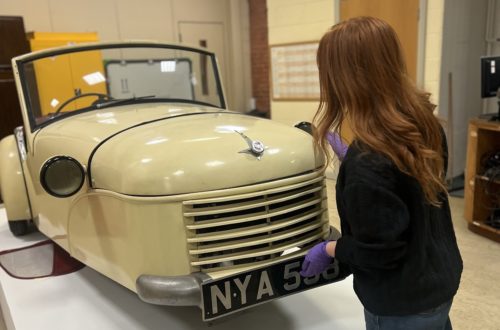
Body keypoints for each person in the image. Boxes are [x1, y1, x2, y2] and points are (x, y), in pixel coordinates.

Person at [300, 17, 463, 330]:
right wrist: (354, 161)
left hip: (402, 302)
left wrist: (330, 249)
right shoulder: (423, 122)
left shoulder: (368, 163)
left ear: (341, 78)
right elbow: (407, 185)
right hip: (438, 277)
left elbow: (379, 253)